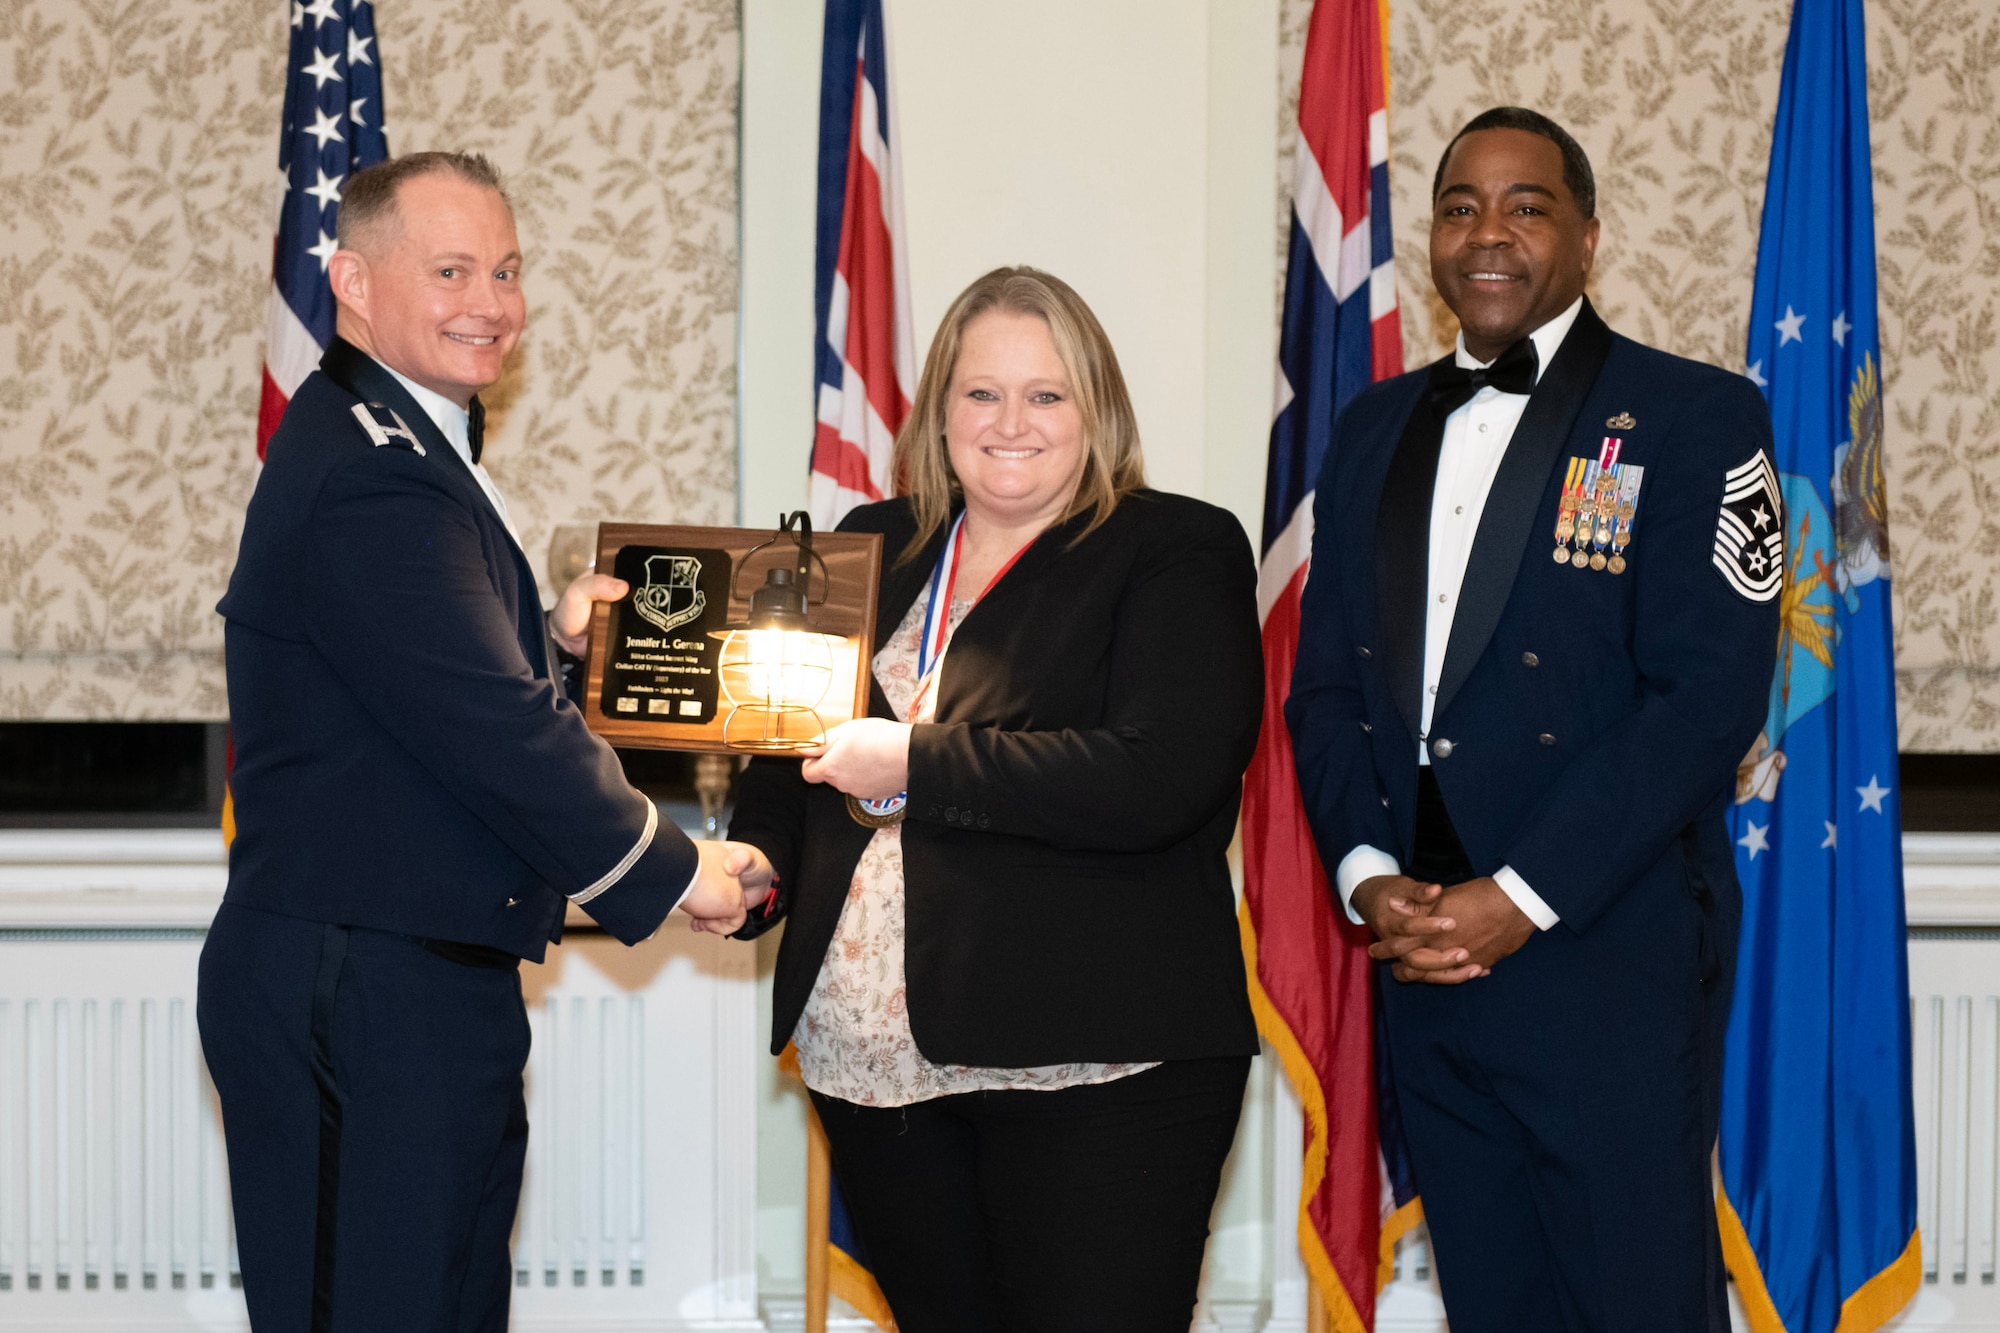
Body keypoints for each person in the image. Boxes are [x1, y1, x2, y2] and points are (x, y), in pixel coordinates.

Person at [198, 151, 760, 1333]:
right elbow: (489, 730)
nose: (490, 303)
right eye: (450, 269)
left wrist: (549, 645)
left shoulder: (404, 442)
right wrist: (677, 866)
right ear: (351, 279)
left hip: (412, 977)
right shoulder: (377, 474)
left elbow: (419, 694)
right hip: (363, 986)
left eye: (505, 269)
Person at [1285, 108, 1781, 1333]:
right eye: (1458, 206)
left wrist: (1518, 895)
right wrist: (1363, 874)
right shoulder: (1369, 429)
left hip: (1601, 945)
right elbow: (1326, 688)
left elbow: (1702, 702)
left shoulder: (1692, 418)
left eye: (1525, 205)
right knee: (1492, 1302)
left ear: (1586, 236)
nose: (1486, 232)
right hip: (1423, 949)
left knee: (1634, 1303)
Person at [723, 267, 1263, 1332]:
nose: (1009, 422)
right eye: (980, 393)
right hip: (874, 1064)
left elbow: (1156, 776)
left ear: (1095, 411)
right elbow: (781, 752)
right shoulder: (868, 542)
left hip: (1098, 1059)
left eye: (1046, 394)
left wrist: (918, 762)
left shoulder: (1173, 549)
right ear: (937, 411)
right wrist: (755, 863)